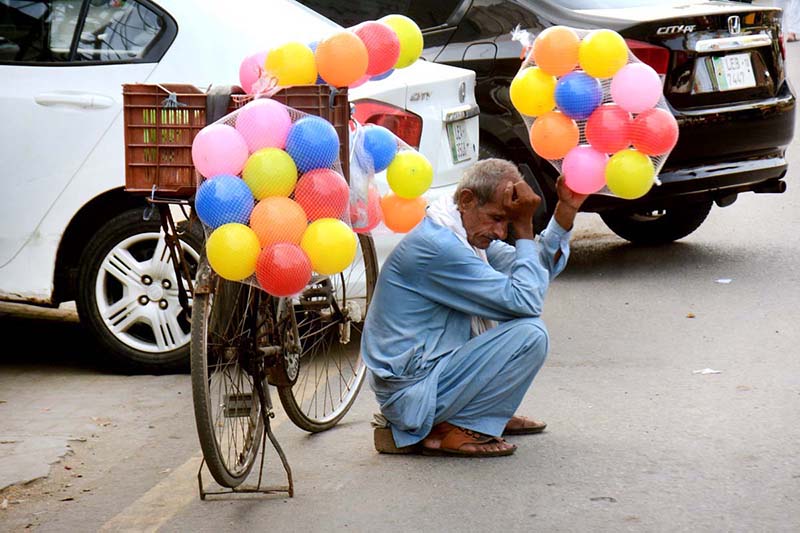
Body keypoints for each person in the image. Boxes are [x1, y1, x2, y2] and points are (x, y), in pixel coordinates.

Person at [361, 159, 587, 457]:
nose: (500, 231)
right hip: (414, 396)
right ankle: (462, 425)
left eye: (506, 222)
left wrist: (566, 209)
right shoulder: (440, 246)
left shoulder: (465, 233)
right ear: (466, 200)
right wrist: (523, 227)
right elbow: (526, 302)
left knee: (526, 326)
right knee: (530, 334)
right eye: (496, 218)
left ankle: (478, 414)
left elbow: (534, 269)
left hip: (433, 379)